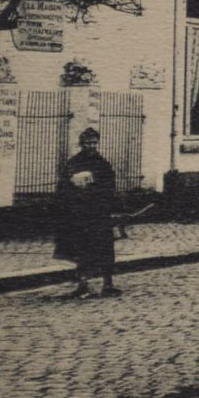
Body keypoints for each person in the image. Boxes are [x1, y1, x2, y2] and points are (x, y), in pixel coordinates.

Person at [53, 127, 120, 297]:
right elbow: (63, 186)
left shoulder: (102, 163)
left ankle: (108, 284)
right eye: (88, 143)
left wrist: (100, 194)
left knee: (105, 248)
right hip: (80, 214)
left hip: (99, 213)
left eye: (94, 143)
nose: (91, 146)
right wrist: (75, 187)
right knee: (82, 249)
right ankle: (83, 285)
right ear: (82, 144)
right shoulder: (74, 163)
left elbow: (110, 185)